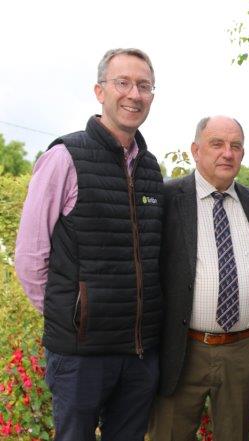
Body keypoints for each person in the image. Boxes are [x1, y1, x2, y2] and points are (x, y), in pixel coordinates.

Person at [14, 48, 163, 439]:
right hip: (80, 358)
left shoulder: (150, 169)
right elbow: (29, 258)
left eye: (144, 86)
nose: (134, 94)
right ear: (100, 91)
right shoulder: (64, 157)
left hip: (138, 355)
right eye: (123, 83)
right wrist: (71, 317)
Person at [149, 116, 249, 440]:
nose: (227, 153)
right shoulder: (167, 199)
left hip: (242, 352)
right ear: (195, 150)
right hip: (182, 350)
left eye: (235, 146)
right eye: (217, 144)